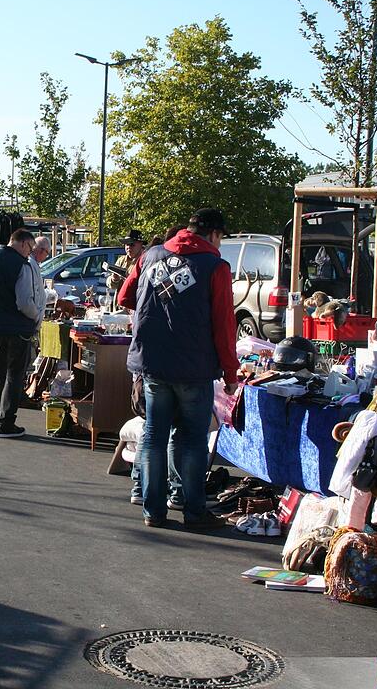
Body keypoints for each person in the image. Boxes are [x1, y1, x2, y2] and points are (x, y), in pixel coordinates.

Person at [129, 209, 237, 530]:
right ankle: (193, 510)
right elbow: (224, 325)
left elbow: (126, 295)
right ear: (214, 234)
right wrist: (231, 375)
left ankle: (153, 511)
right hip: (193, 367)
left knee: (153, 436)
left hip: (153, 364)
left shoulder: (150, 256)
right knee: (191, 439)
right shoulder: (215, 266)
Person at [0, 229, 44, 438]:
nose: (30, 253)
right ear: (23, 244)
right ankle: (6, 423)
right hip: (16, 326)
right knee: (15, 375)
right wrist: (35, 316)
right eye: (30, 248)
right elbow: (24, 301)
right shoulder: (20, 264)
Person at [109, 229, 146, 310]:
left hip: (135, 307)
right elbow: (110, 285)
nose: (128, 247)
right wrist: (114, 279)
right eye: (126, 244)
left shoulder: (146, 261)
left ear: (141, 244)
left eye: (132, 244)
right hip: (119, 307)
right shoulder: (121, 260)